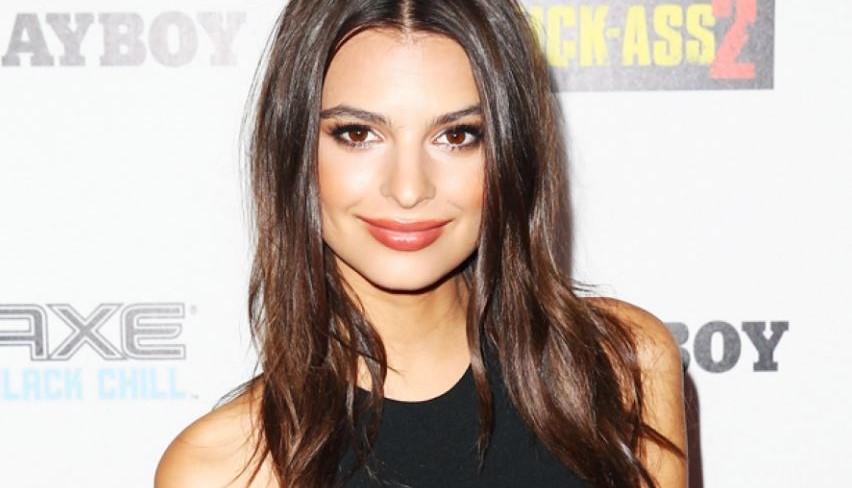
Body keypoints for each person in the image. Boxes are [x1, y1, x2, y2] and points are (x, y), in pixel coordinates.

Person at [154, 0, 687, 486]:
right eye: (357, 134)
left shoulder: (622, 368)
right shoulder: (222, 469)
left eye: (456, 136)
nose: (408, 188)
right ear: (293, 149)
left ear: (509, 152)